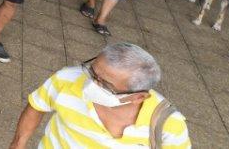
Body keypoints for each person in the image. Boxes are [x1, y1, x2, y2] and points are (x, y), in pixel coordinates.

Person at [11, 43, 190, 149]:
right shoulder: (67, 79)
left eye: (105, 84)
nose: (91, 84)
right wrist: (18, 145)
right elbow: (37, 106)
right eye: (93, 72)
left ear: (138, 97)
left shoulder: (168, 124)